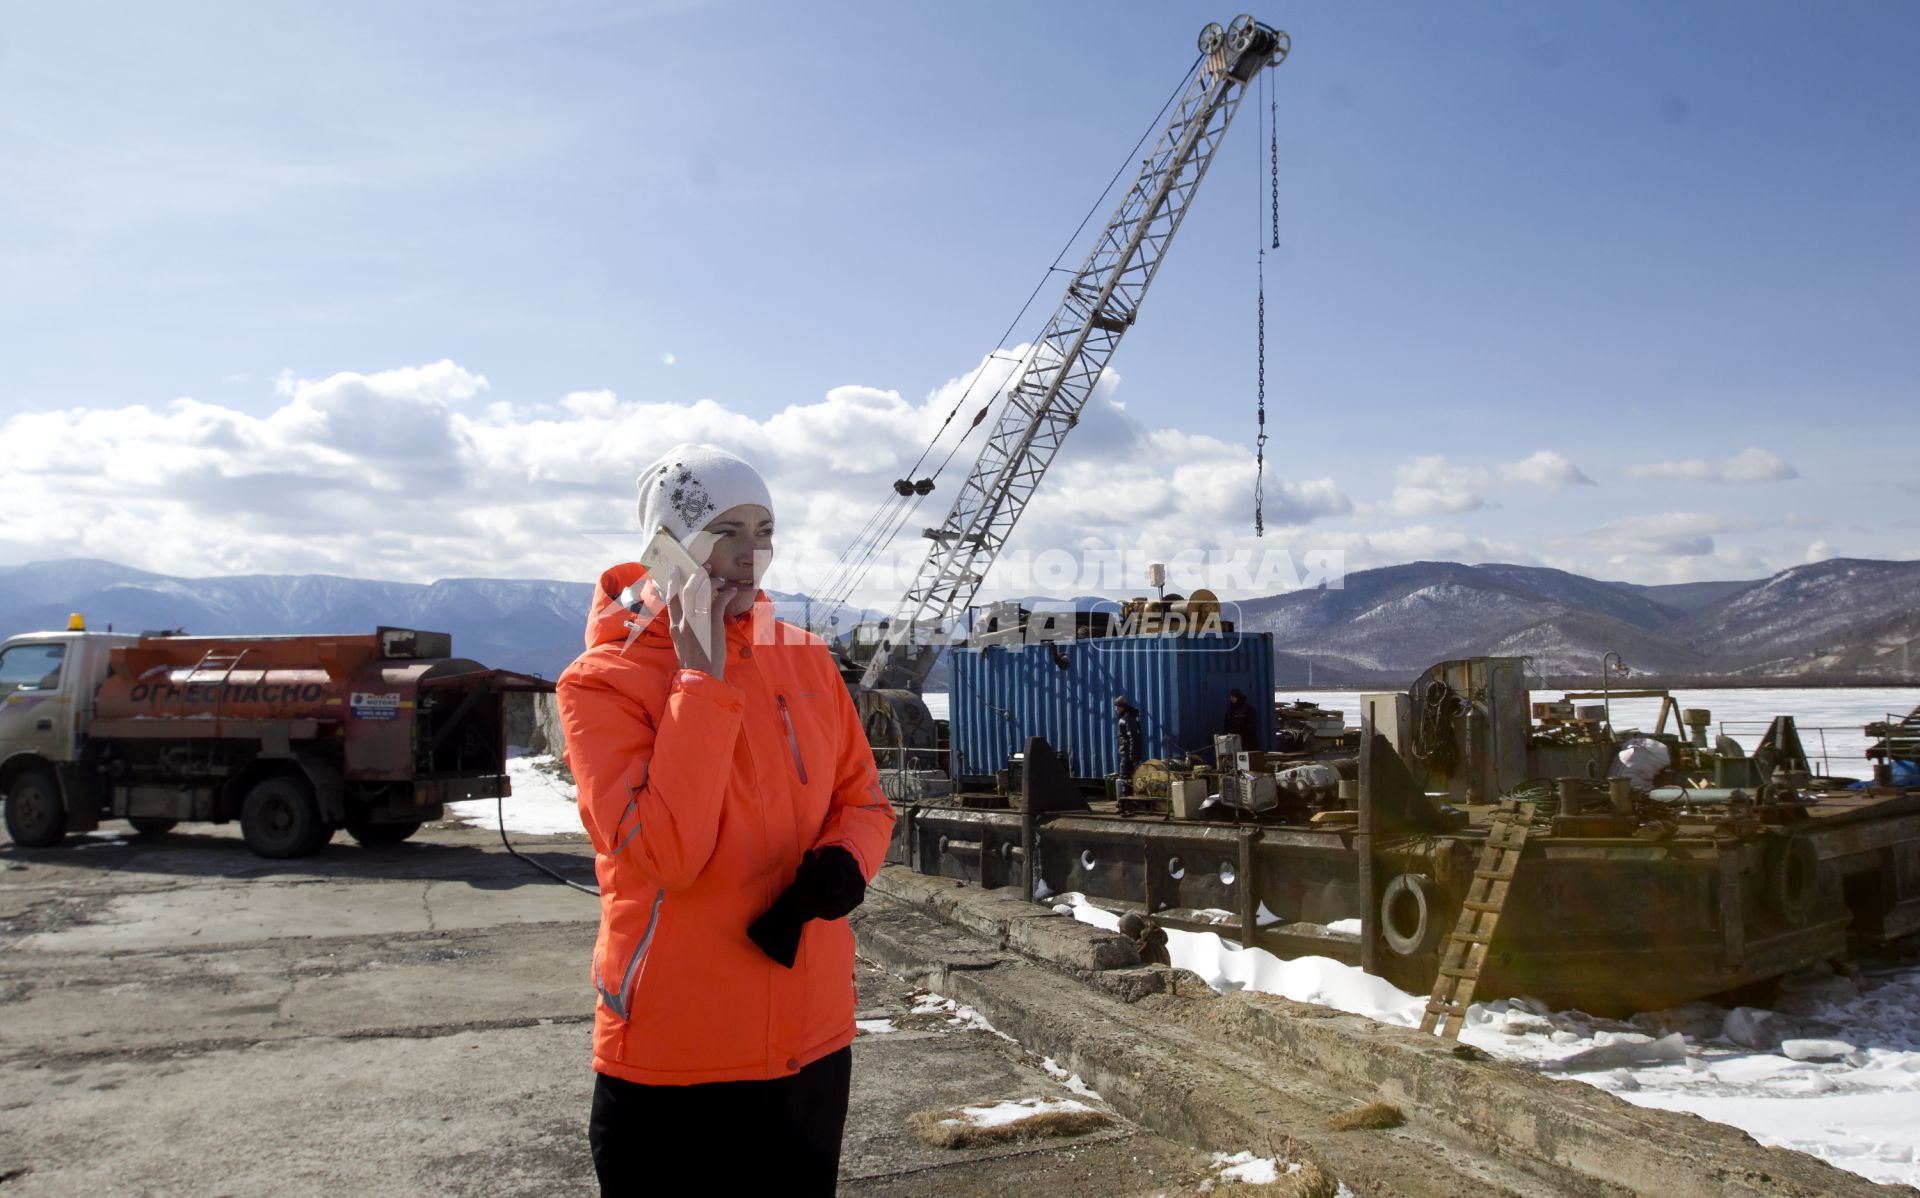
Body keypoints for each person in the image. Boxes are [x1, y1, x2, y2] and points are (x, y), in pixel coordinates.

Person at [557, 443, 896, 1197]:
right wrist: (698, 679)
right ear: (667, 548)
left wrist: (847, 860)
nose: (751, 558)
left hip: (810, 1042)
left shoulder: (805, 661)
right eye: (725, 532)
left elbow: (865, 800)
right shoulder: (602, 684)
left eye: (764, 531)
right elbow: (668, 854)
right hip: (676, 1053)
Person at [1113, 695, 1143, 797]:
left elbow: (1133, 737)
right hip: (1125, 753)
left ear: (1121, 707)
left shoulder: (1128, 717)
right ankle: (1127, 800)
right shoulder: (1126, 717)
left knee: (1126, 778)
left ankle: (1127, 801)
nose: (1116, 709)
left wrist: (1132, 753)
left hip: (1127, 754)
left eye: (1117, 707)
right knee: (1127, 777)